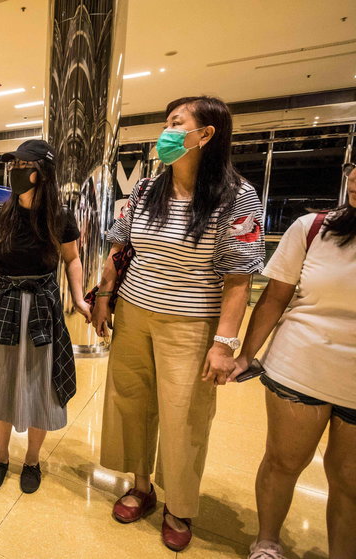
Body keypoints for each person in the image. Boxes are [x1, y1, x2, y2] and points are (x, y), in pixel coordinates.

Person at [90, 96, 265, 552]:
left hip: (191, 323)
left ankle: (179, 506)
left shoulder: (237, 196)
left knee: (184, 415)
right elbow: (119, 245)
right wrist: (105, 296)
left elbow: (238, 279)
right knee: (131, 400)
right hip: (134, 312)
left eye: (175, 123)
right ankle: (141, 486)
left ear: (206, 134)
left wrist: (225, 343)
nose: (165, 132)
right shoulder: (148, 188)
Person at [236, 162, 356, 559]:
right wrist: (244, 355)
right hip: (301, 364)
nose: (353, 178)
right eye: (354, 168)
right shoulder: (313, 228)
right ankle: (267, 542)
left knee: (349, 480)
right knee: (284, 461)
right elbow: (274, 298)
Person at [0, 139, 90, 494]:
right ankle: (1, 456)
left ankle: (32, 460)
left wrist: (78, 298)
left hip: (43, 308)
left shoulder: (60, 218)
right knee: (1, 382)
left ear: (42, 172)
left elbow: (73, 259)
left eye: (23, 165)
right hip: (4, 304)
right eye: (13, 165)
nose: (16, 171)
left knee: (41, 386)